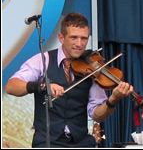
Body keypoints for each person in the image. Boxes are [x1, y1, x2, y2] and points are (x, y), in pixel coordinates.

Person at [6, 12, 134, 148]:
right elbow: (12, 86)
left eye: (84, 39)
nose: (79, 44)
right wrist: (42, 86)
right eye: (74, 38)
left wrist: (112, 100)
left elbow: (97, 115)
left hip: (80, 142)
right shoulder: (44, 60)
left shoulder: (92, 69)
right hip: (48, 142)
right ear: (61, 38)